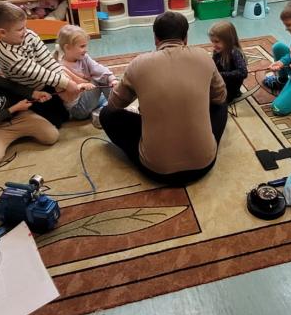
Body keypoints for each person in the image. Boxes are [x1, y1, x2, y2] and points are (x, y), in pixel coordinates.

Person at [99, 12, 228, 185]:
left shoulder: (138, 64)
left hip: (157, 170)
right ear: (186, 38)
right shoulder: (204, 57)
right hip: (203, 165)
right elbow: (220, 96)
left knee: (107, 115)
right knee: (221, 105)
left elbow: (114, 105)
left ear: (155, 38)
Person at [0, 1, 80, 127]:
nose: (25, 31)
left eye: (25, 26)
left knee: (64, 114)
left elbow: (47, 60)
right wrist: (65, 83)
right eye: (20, 29)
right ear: (3, 32)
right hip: (27, 90)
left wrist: (63, 79)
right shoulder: (9, 55)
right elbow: (37, 72)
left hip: (44, 81)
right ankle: (21, 114)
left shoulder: (29, 35)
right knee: (56, 122)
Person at [54, 25, 116, 123]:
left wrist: (112, 79)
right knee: (99, 80)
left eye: (86, 45)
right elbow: (66, 93)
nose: (86, 49)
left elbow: (98, 68)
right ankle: (117, 111)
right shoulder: (60, 67)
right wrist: (81, 85)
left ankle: (99, 113)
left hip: (89, 99)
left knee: (107, 82)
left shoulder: (84, 58)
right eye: (82, 46)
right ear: (67, 47)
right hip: (77, 108)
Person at [208, 21, 247, 103]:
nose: (214, 45)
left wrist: (220, 75)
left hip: (230, 89)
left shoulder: (234, 52)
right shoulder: (217, 51)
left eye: (216, 41)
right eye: (212, 42)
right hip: (220, 83)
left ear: (228, 40)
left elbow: (243, 73)